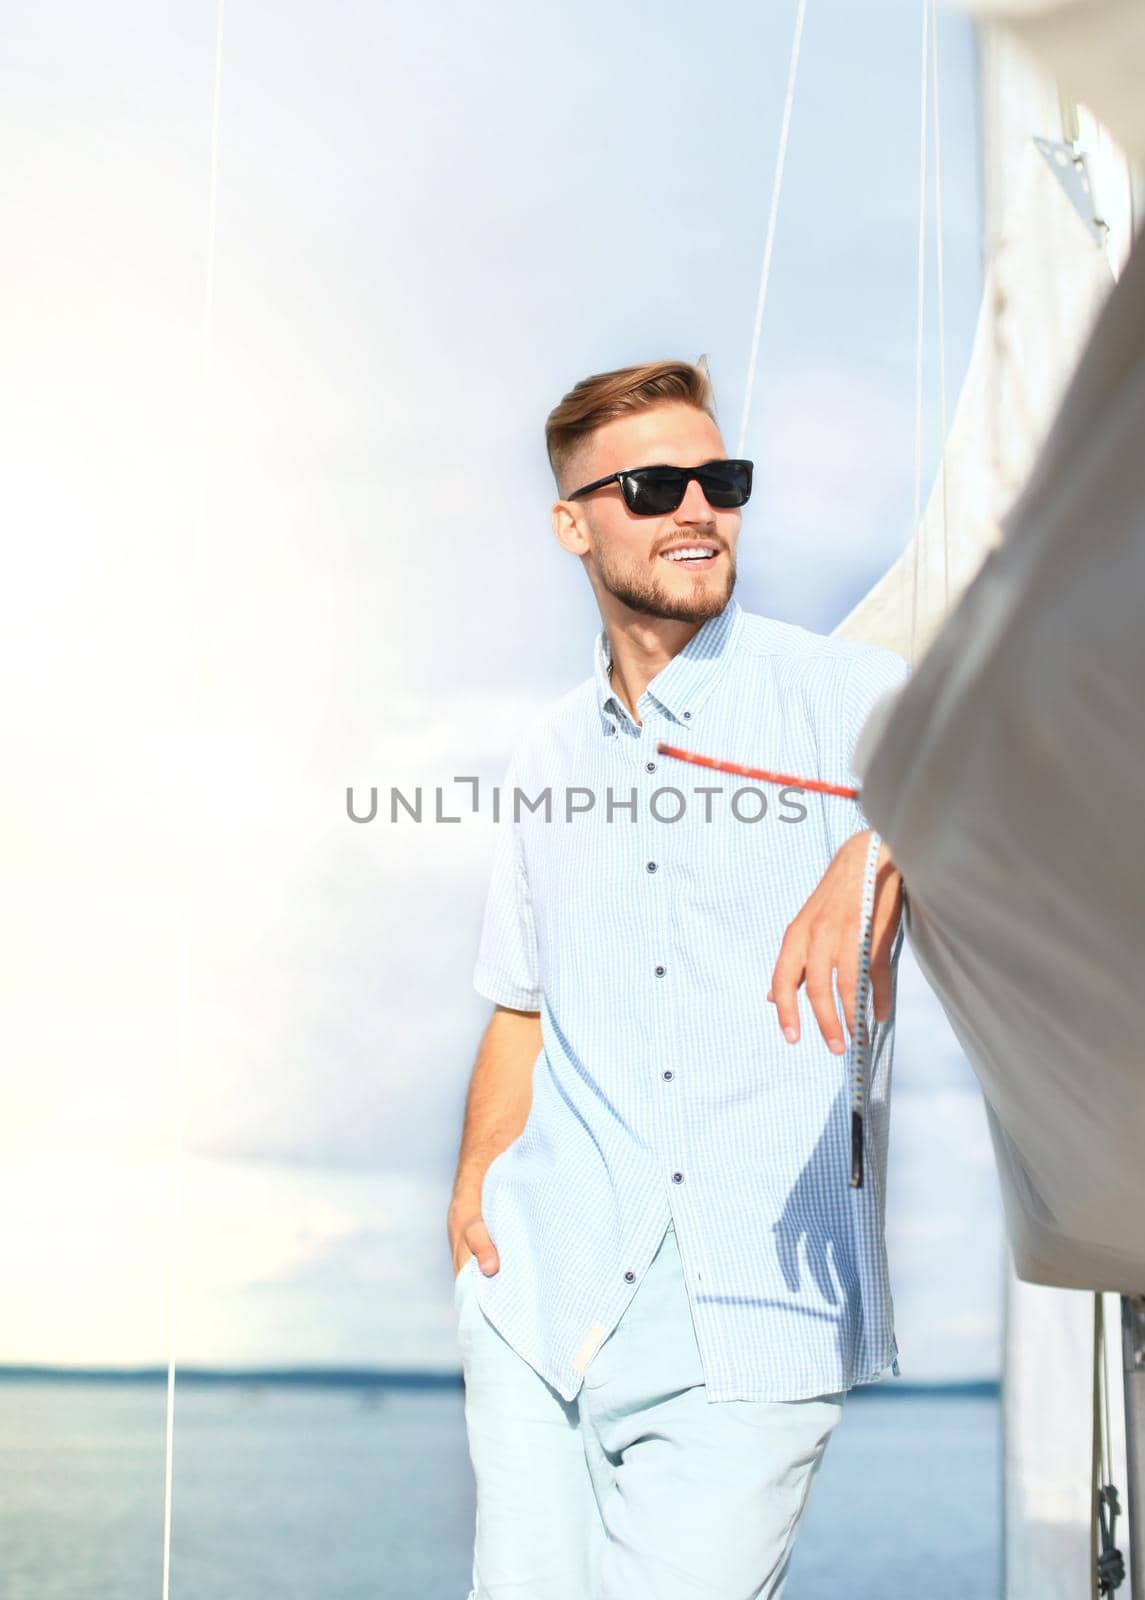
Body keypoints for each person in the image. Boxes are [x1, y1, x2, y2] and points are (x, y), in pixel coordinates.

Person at [447, 358, 910, 1600]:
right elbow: (520, 998)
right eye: (652, 486)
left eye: (720, 480)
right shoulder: (545, 753)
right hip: (541, 1304)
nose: (695, 508)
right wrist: (474, 1207)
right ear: (573, 522)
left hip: (752, 1320)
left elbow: (1018, 771)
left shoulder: (848, 701)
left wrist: (880, 839)